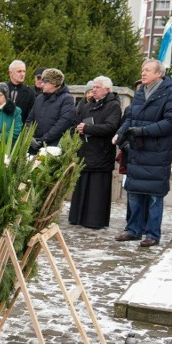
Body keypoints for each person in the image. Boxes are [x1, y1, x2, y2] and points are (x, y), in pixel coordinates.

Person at [113, 58, 172, 247]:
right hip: (137, 150)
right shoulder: (141, 92)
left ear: (159, 74)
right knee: (134, 193)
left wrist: (144, 131)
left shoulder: (170, 94)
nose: (142, 73)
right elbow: (130, 117)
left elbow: (170, 122)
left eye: (147, 70)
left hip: (156, 154)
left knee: (154, 196)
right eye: (142, 69)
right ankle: (133, 230)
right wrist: (120, 133)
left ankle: (152, 234)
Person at [69, 76, 122, 229]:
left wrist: (87, 128)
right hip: (85, 151)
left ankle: (94, 221)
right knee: (82, 187)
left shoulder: (113, 106)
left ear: (107, 90)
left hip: (101, 152)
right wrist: (78, 129)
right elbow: (76, 122)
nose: (94, 89)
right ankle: (78, 217)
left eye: (97, 87)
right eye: (93, 87)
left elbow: (111, 127)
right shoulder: (86, 105)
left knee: (97, 191)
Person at [25, 68, 76, 153]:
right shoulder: (39, 98)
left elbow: (63, 123)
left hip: (54, 148)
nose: (41, 85)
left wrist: (43, 140)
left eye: (45, 82)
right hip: (34, 146)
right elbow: (29, 120)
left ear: (55, 84)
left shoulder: (67, 99)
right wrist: (30, 138)